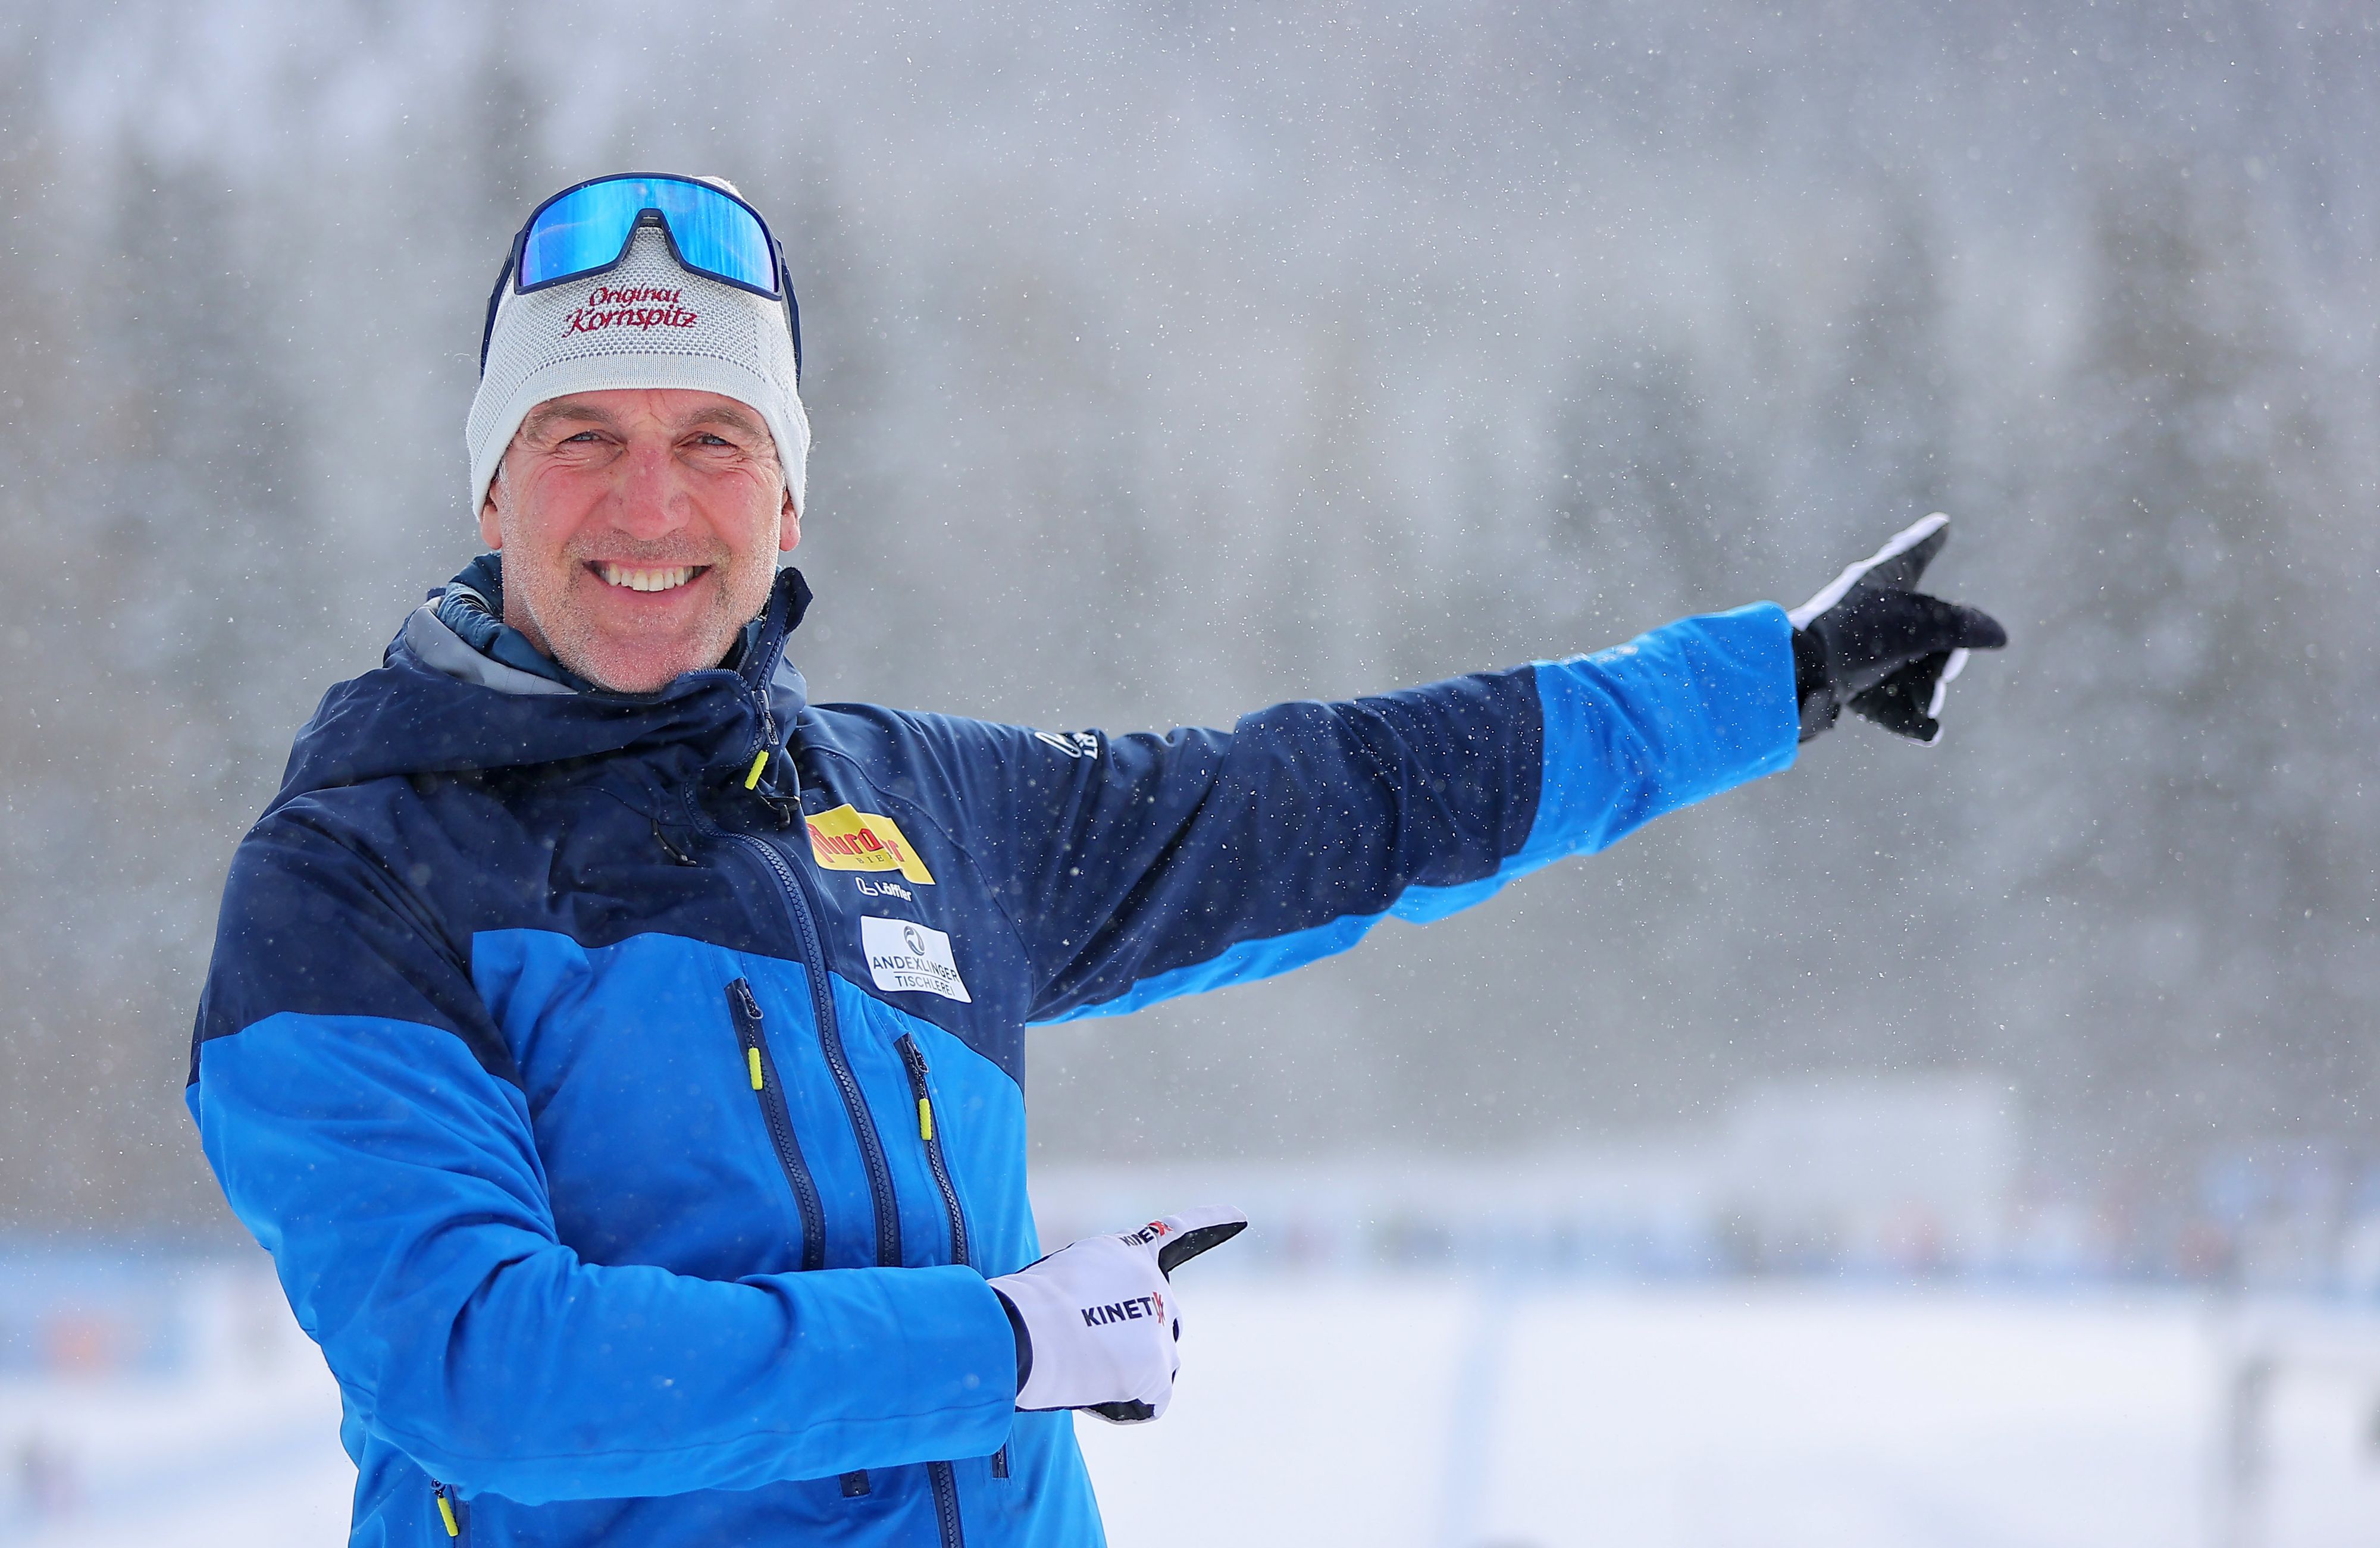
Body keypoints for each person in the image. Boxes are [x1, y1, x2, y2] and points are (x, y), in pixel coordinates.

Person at [186, 173, 2005, 1547]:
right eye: (582, 437)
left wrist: (1761, 684)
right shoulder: (357, 877)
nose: (650, 504)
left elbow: (1351, 796)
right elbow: (489, 1369)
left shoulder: (925, 815)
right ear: (492, 486)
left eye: (712, 440)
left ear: (790, 496)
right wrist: (1002, 1345)